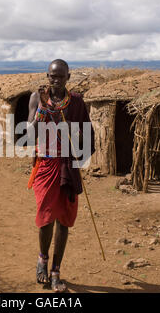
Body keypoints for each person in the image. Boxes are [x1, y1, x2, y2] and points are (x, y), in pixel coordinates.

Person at [27, 59, 95, 292]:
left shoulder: (76, 102)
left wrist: (80, 155)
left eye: (59, 76)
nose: (54, 80)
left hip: (68, 165)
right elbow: (28, 133)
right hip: (45, 165)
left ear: (68, 76)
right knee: (46, 218)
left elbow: (87, 132)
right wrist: (42, 111)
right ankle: (42, 260)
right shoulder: (37, 98)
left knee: (63, 220)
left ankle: (56, 270)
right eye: (51, 76)